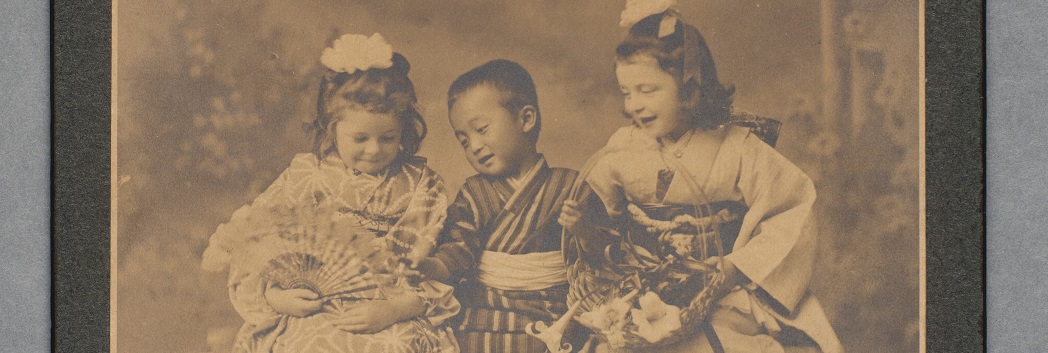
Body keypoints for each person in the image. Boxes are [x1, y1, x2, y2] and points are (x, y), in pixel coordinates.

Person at [559, 8, 844, 353]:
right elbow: (607, 228)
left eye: (647, 90)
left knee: (717, 341)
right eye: (626, 92)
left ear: (689, 86)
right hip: (641, 293)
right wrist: (585, 231)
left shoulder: (738, 148)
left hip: (718, 291)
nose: (634, 105)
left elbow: (791, 208)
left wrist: (732, 268)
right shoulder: (621, 148)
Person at [201, 33, 459, 353]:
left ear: (403, 130)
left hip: (389, 307)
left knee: (396, 345)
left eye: (388, 138)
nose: (374, 150)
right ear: (332, 127)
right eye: (360, 138)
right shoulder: (307, 175)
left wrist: (394, 310)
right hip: (312, 305)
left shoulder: (421, 183)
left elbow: (423, 258)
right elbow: (259, 242)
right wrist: (277, 297)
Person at [414, 59, 586, 353]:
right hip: (487, 310)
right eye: (464, 140)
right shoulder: (474, 192)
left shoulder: (571, 186)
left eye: (481, 129)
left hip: (552, 309)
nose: (474, 146)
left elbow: (603, 256)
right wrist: (431, 266)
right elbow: (459, 247)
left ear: (526, 119)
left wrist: (585, 230)